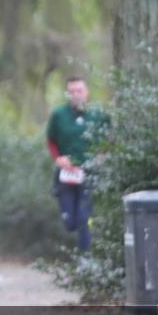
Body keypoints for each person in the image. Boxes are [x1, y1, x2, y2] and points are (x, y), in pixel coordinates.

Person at [46, 76, 107, 253]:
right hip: (66, 175)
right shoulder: (59, 115)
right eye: (71, 91)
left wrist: (102, 155)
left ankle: (85, 260)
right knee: (70, 222)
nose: (75, 95)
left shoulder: (99, 114)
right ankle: (82, 251)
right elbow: (51, 140)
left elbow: (110, 139)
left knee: (84, 218)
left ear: (86, 92)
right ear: (67, 94)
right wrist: (58, 158)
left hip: (90, 173)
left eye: (79, 90)